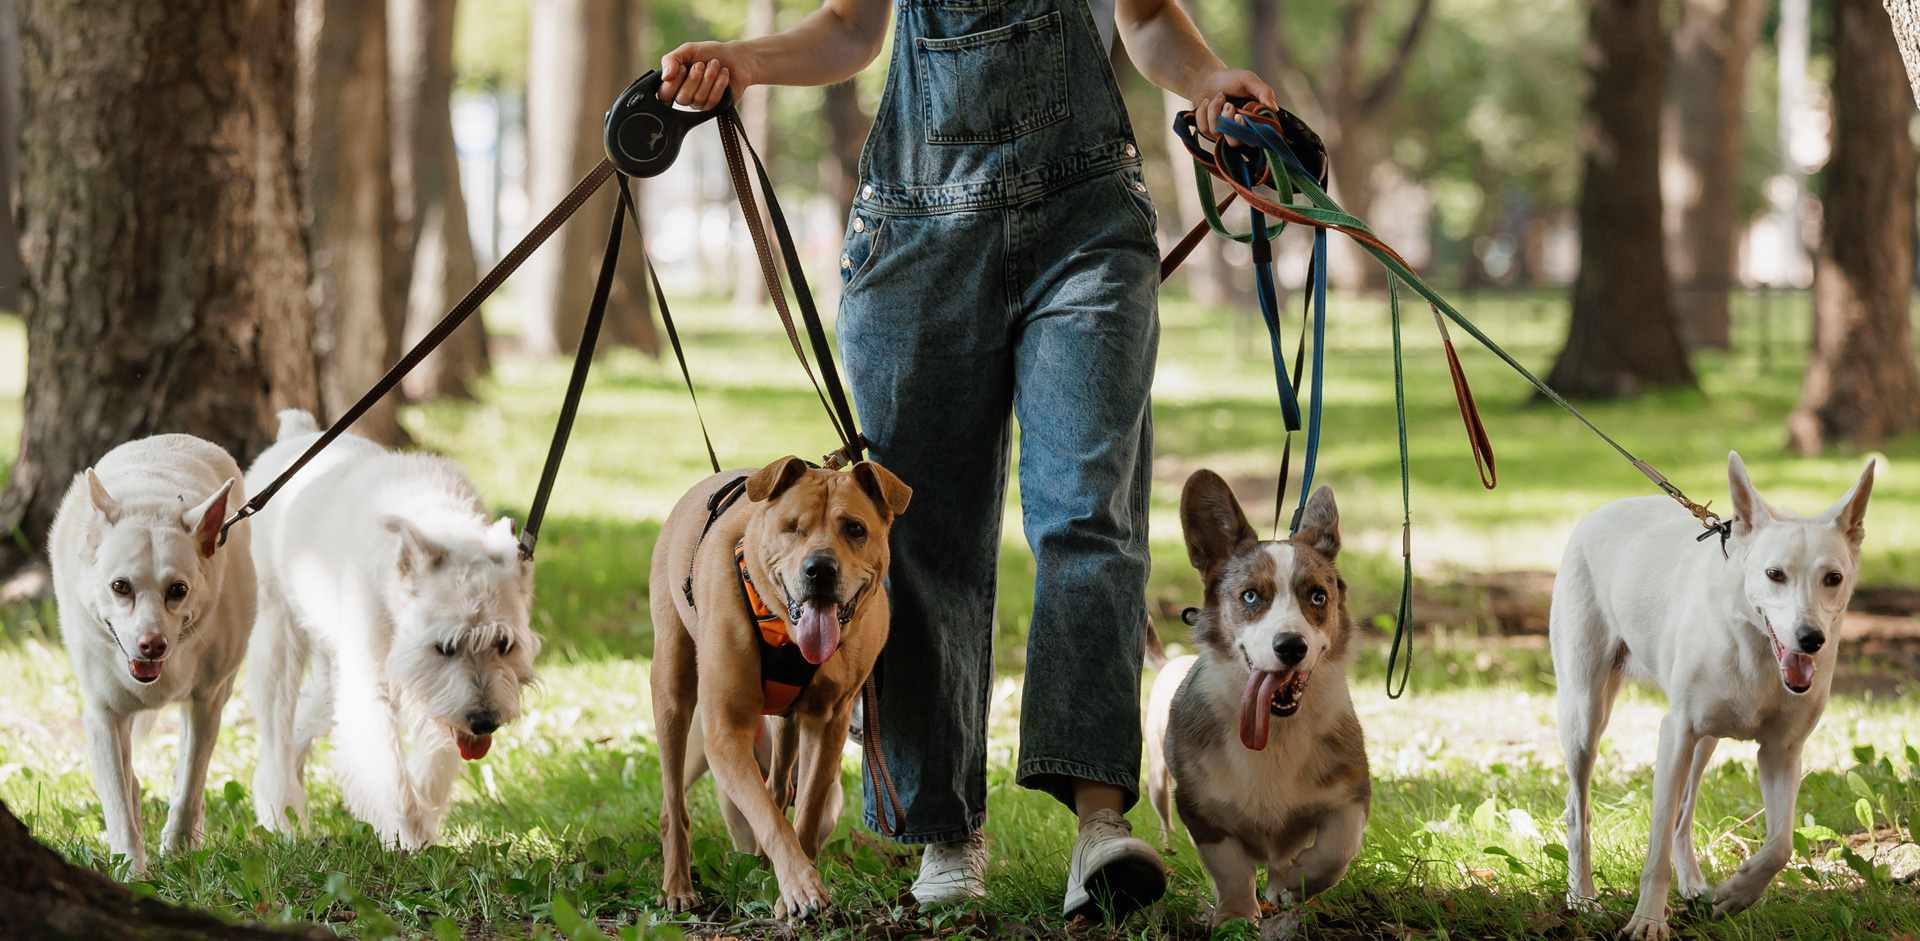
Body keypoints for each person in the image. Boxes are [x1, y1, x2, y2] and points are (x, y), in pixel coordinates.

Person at [658, 0, 1276, 920]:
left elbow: (1145, 17)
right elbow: (850, 28)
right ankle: (947, 829)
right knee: (922, 535)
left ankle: (1099, 824)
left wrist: (1208, 80)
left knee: (1086, 512)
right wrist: (743, 62)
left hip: (1088, 227)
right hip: (916, 234)